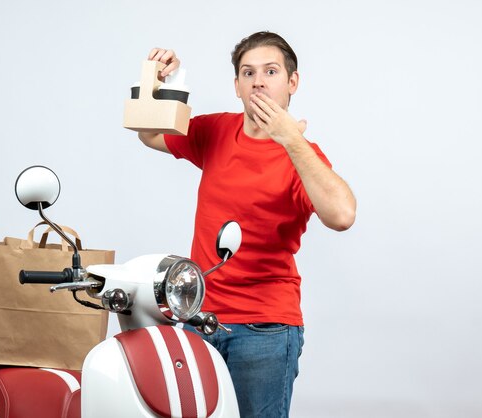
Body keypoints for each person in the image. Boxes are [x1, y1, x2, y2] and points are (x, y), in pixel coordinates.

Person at [138, 31, 356, 418]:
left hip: (266, 329)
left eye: (271, 71)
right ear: (237, 86)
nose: (258, 80)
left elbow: (342, 215)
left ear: (292, 82)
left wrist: (290, 139)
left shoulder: (303, 155)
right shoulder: (216, 130)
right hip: (199, 319)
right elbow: (150, 134)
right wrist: (161, 82)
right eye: (248, 72)